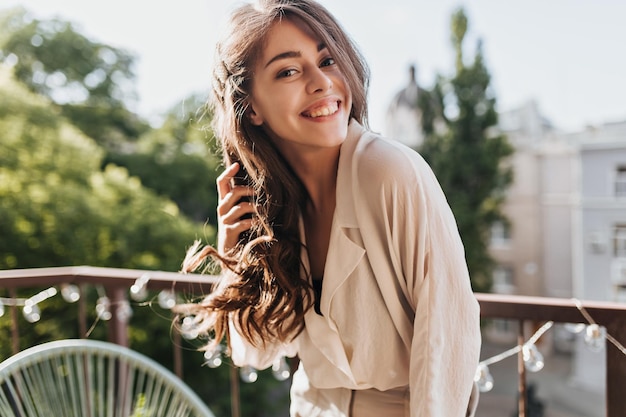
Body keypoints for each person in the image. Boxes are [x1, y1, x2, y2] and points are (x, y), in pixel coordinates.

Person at [178, 0, 481, 415]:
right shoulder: (272, 207)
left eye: (327, 59)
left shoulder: (389, 171)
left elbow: (448, 331)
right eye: (288, 70)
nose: (322, 82)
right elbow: (255, 351)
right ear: (251, 108)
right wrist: (233, 250)